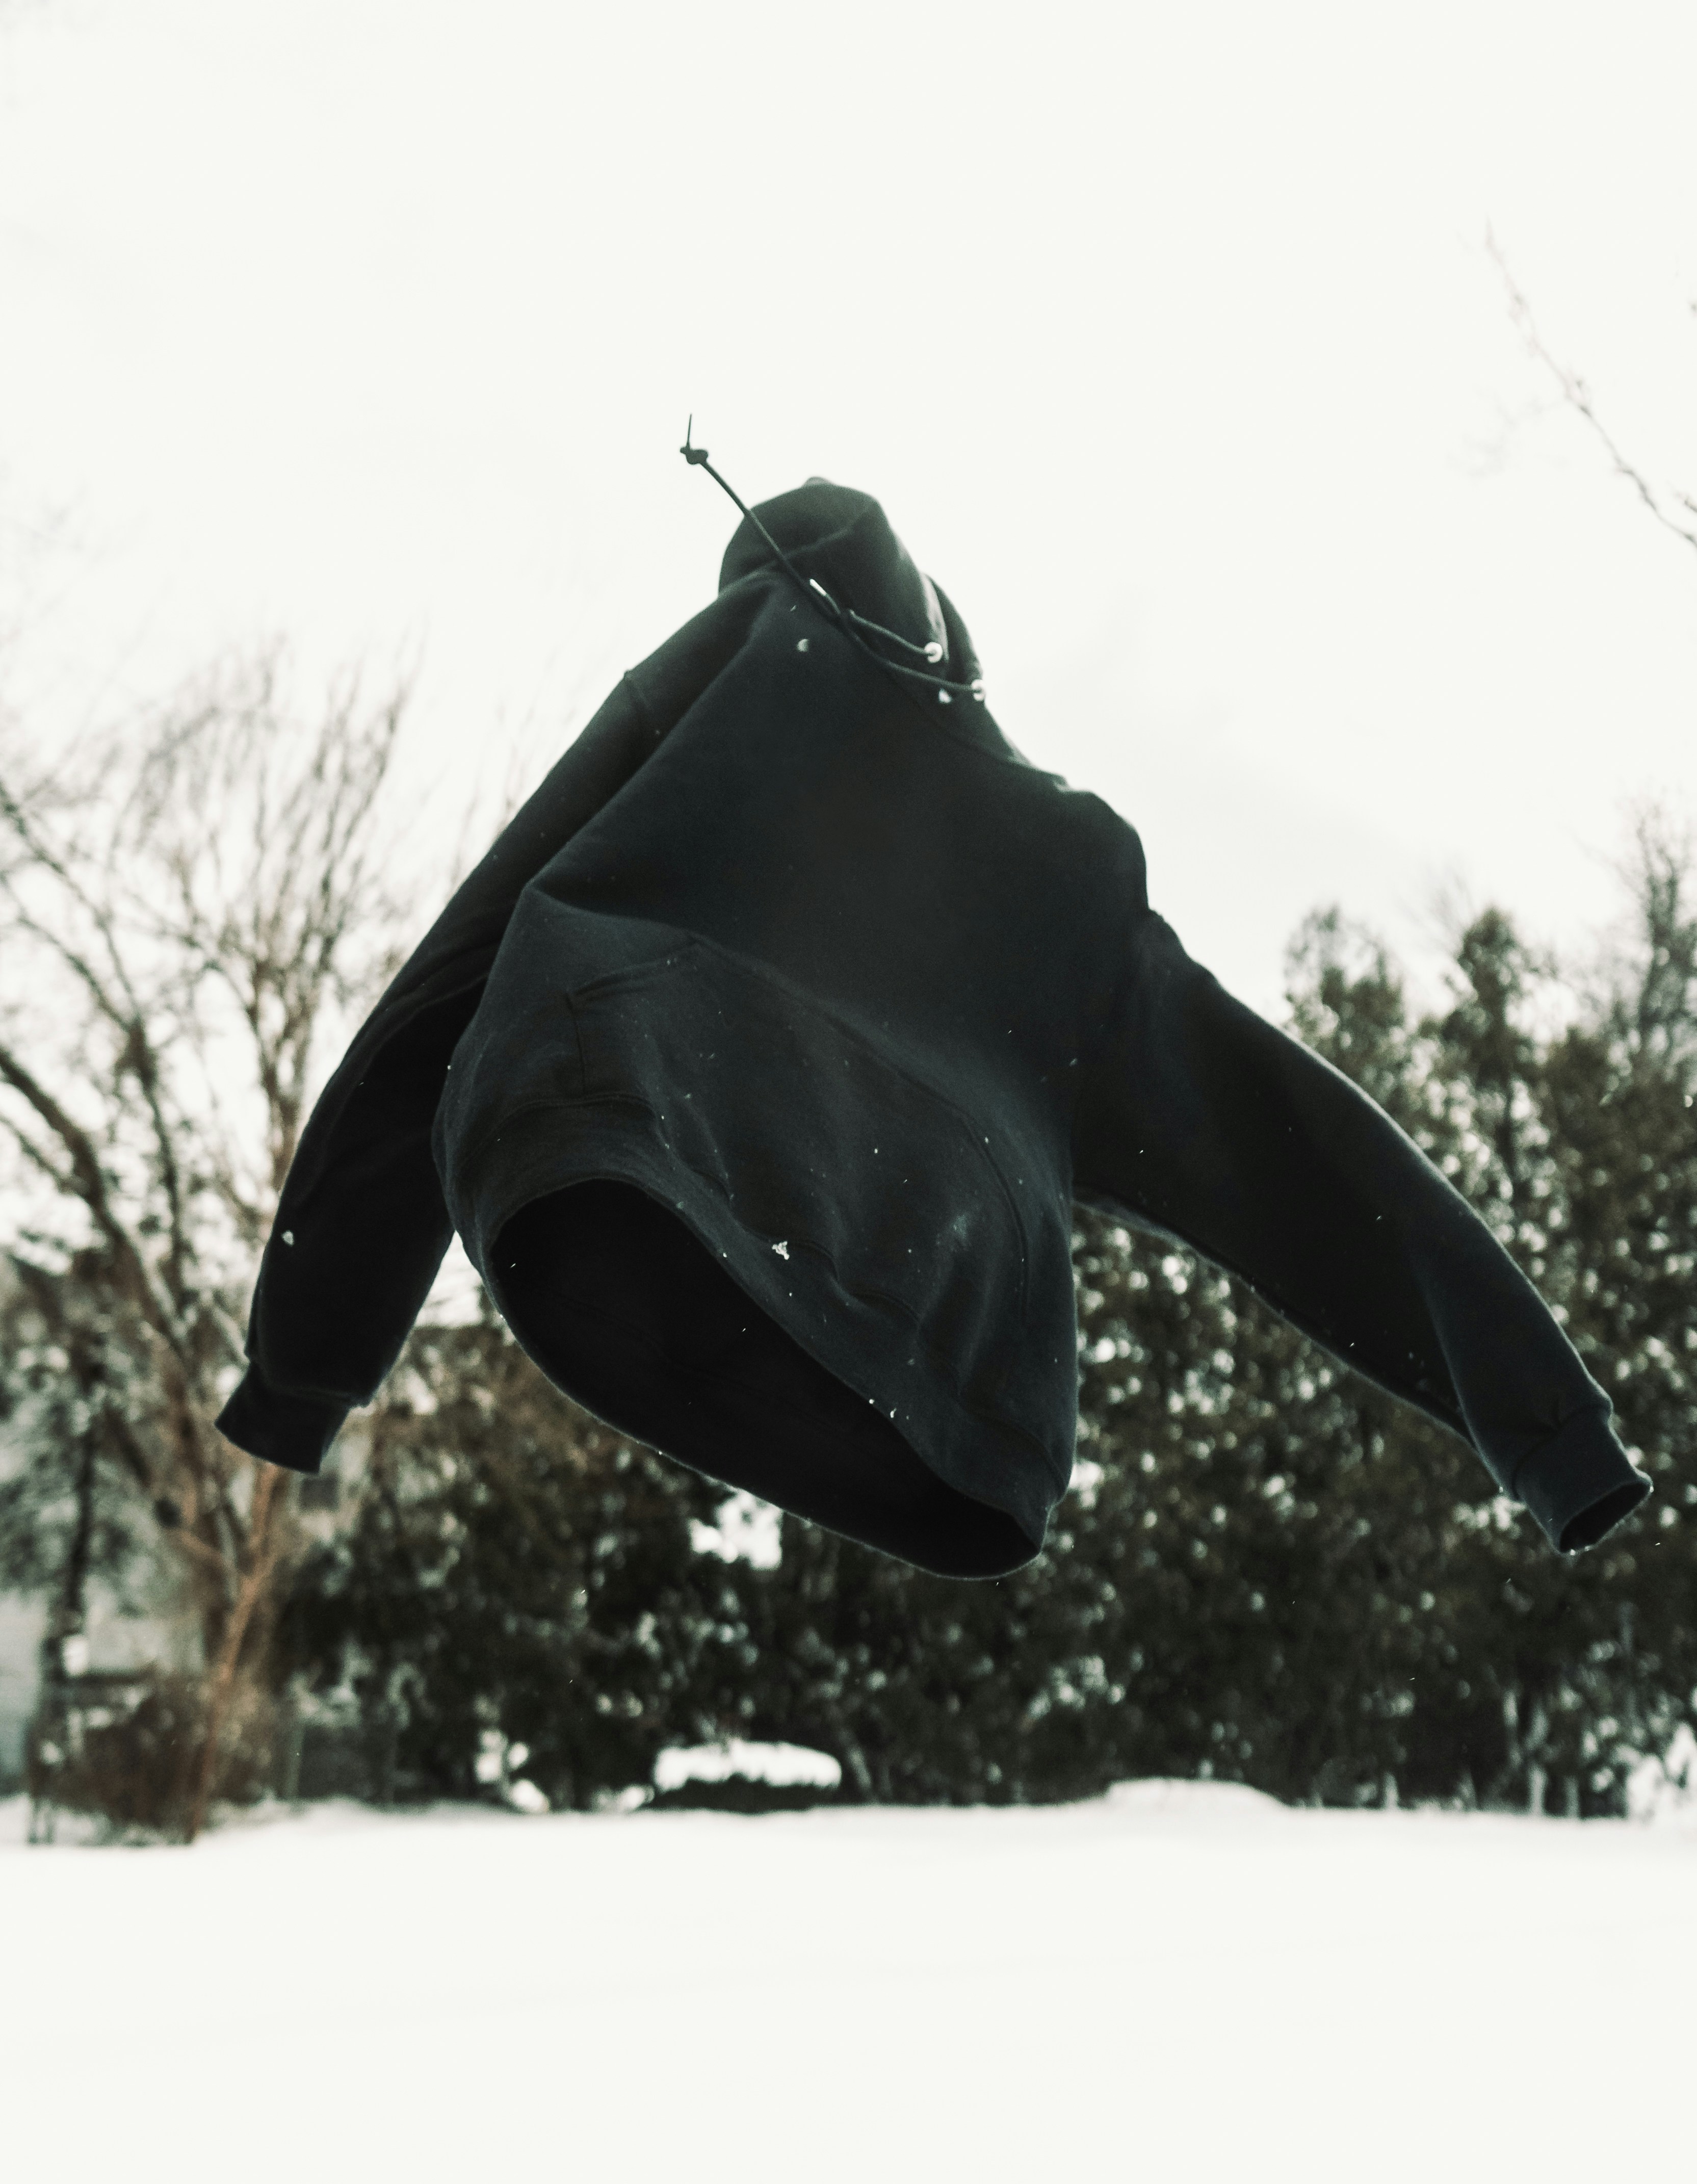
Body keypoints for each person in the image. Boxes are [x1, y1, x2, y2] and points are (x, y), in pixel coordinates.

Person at [216, 464, 1652, 1576]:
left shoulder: (729, 669)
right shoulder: (1059, 861)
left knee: (581, 1097)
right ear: (951, 649)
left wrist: (309, 1360)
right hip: (945, 1349)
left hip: (605, 1160)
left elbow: (441, 992)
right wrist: (1544, 1430)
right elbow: (1298, 1158)